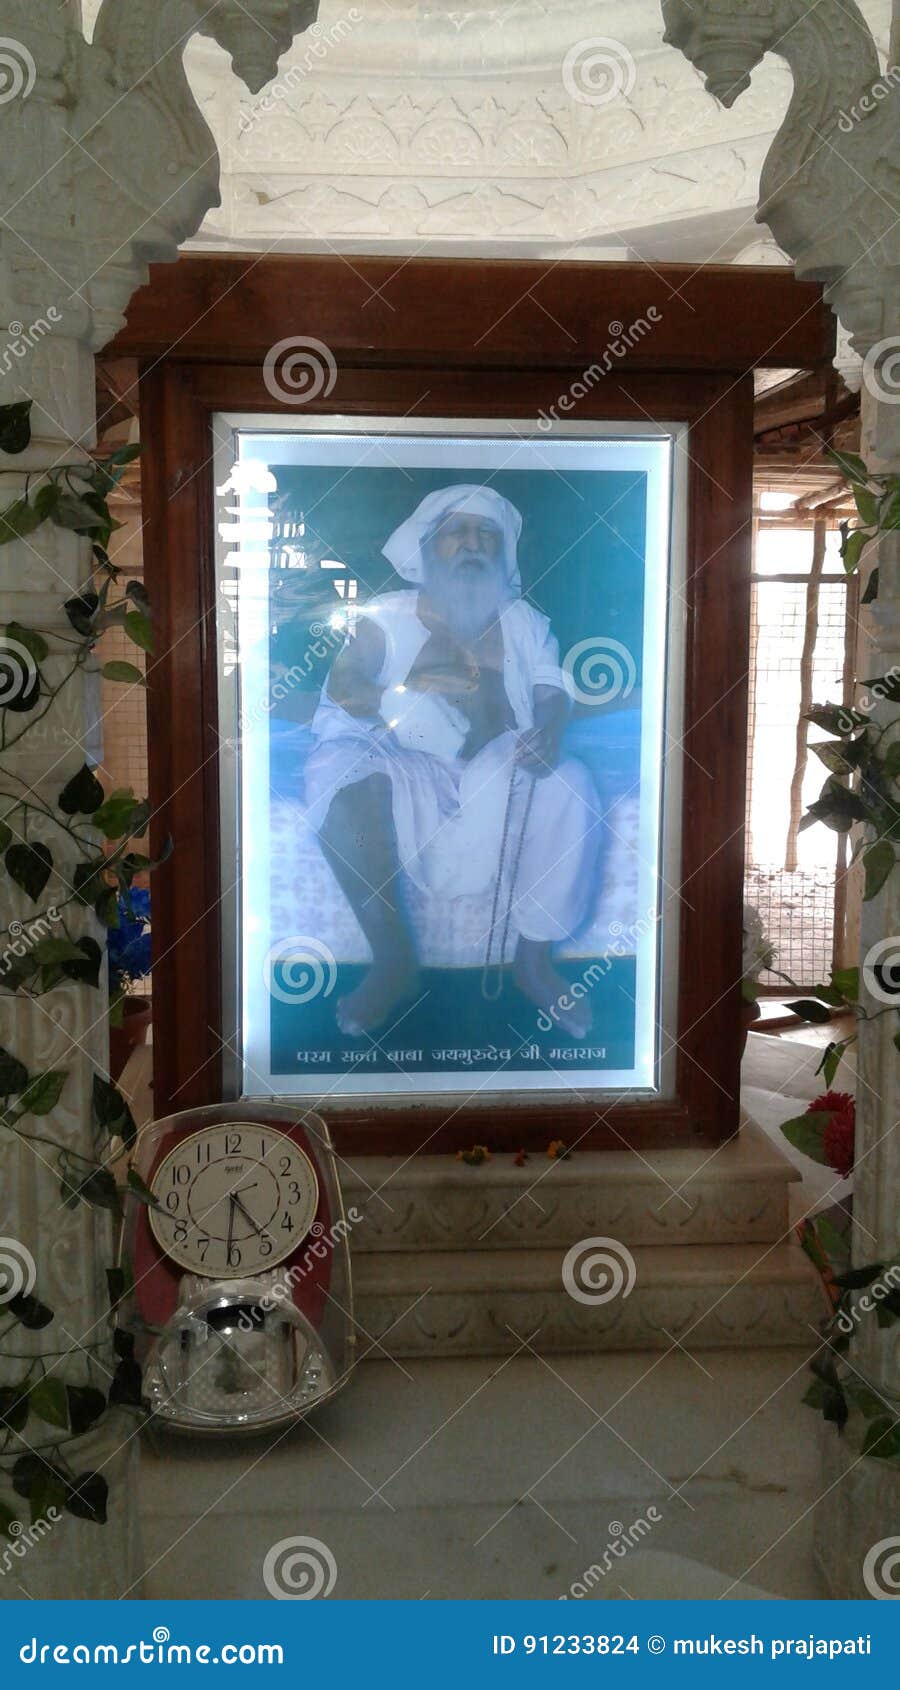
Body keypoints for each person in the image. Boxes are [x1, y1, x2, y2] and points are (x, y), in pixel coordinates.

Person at [303, 485, 600, 1038]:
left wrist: (550, 733)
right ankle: (392, 963)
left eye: (485, 534)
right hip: (398, 757)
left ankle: (533, 962)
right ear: (428, 546)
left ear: (502, 550)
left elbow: (550, 690)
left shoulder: (524, 621)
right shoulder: (385, 616)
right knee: (343, 781)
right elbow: (346, 683)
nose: (473, 545)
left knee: (574, 782)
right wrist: (401, 701)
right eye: (457, 533)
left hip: (496, 763)